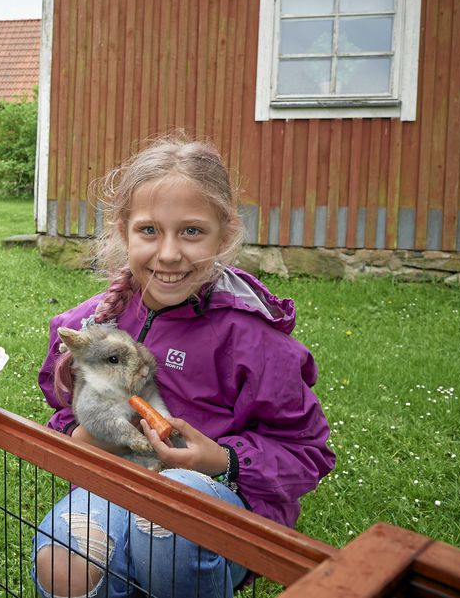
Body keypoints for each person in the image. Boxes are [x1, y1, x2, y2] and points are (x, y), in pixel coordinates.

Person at [32, 134, 335, 598]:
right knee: (63, 561)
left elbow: (306, 451)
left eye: (191, 231)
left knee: (165, 521)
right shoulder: (89, 327)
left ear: (226, 233)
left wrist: (220, 458)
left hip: (213, 500)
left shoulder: (253, 339)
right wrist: (83, 438)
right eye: (149, 231)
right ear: (122, 231)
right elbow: (65, 412)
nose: (169, 254)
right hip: (115, 485)